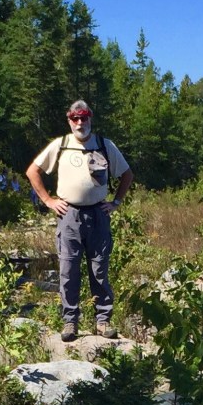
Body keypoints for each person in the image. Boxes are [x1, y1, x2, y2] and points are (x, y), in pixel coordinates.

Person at [26, 100, 134, 343]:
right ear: (69, 120)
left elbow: (127, 175)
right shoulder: (60, 145)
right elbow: (32, 171)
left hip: (98, 215)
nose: (79, 122)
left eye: (83, 117)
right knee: (68, 270)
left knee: (99, 269)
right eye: (75, 118)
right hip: (69, 216)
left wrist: (116, 202)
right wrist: (48, 200)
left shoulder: (105, 145)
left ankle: (103, 321)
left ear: (90, 118)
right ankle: (70, 322)